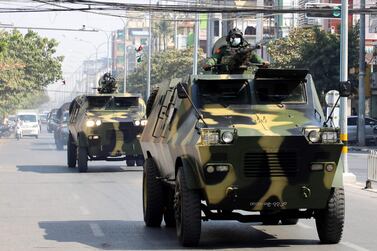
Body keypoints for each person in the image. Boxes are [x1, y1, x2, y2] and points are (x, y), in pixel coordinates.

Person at [203, 28, 269, 74]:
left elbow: (256, 58)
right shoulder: (223, 49)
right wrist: (209, 64)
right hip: (223, 76)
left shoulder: (247, 50)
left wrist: (263, 62)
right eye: (233, 37)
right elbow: (214, 58)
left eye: (238, 37)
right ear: (229, 39)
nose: (235, 39)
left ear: (241, 39)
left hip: (242, 77)